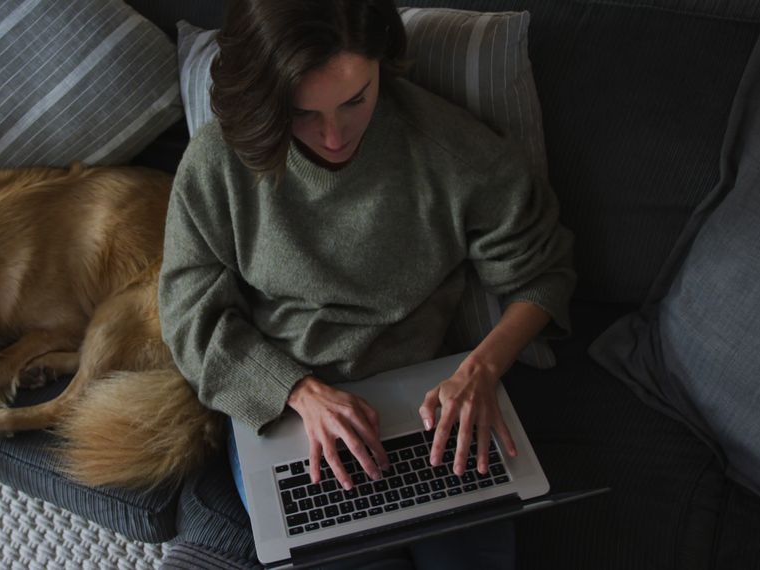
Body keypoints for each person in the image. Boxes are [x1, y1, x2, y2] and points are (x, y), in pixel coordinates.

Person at [158, 0, 575, 567]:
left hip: (430, 406)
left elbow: (543, 274)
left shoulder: (450, 151)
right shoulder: (217, 166)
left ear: (383, 63)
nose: (334, 136)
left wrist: (480, 370)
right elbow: (189, 319)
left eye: (356, 100)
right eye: (304, 113)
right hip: (291, 411)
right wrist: (299, 393)